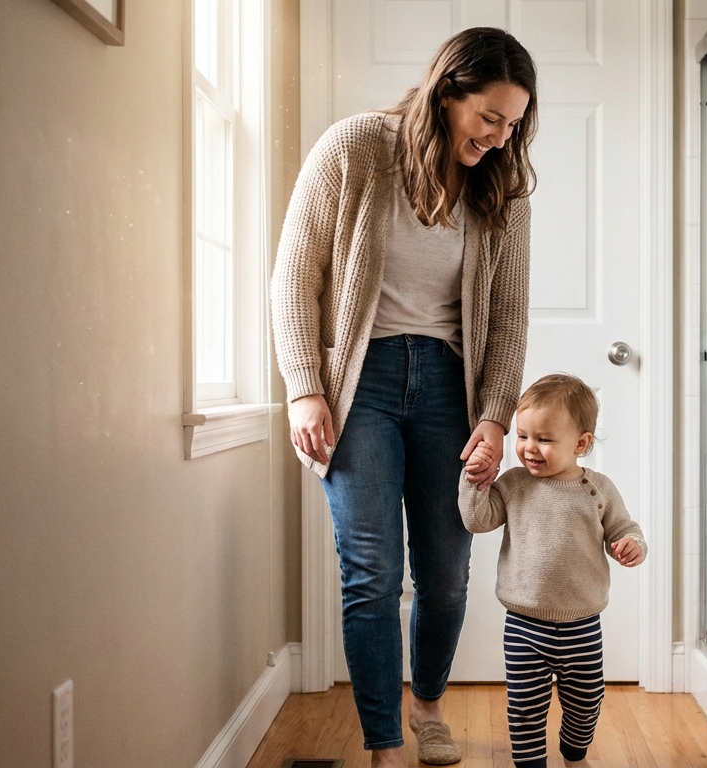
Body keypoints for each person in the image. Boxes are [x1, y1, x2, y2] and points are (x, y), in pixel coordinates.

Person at [270, 27, 538, 768]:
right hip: (363, 384)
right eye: (489, 117)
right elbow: (295, 276)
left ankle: (427, 707)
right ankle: (385, 742)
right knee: (373, 573)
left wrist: (493, 415)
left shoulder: (502, 190)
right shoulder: (355, 149)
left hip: (453, 386)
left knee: (447, 578)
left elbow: (510, 319)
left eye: (514, 123)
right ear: (446, 91)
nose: (499, 137)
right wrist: (304, 389)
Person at [459, 374, 647, 768]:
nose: (529, 448)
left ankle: (574, 753)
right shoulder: (513, 484)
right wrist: (474, 480)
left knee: (586, 702)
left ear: (581, 443)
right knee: (524, 709)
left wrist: (632, 546)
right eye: (523, 436)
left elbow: (624, 528)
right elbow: (477, 520)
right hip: (524, 625)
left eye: (544, 439)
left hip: (582, 624)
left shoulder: (598, 489)